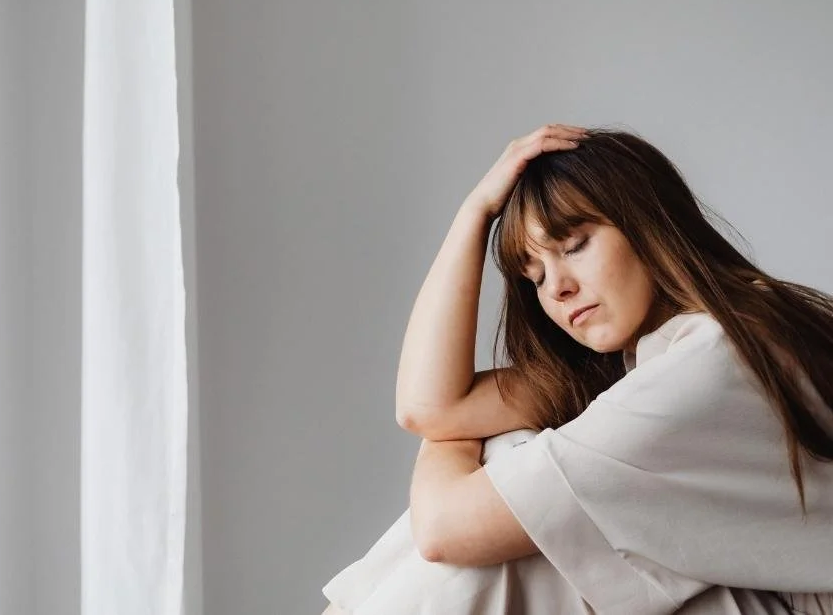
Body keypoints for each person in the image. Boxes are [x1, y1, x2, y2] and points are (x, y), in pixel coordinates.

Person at [320, 125, 833, 614]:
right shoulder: (659, 353)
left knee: (512, 519)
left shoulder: (712, 362)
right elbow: (427, 407)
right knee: (513, 473)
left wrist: (452, 436)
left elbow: (443, 530)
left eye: (574, 246)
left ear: (647, 223)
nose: (558, 289)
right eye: (536, 276)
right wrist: (473, 213)